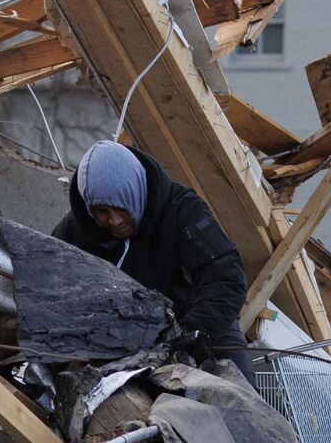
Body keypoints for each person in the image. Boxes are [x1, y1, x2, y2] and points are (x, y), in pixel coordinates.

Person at [53, 140, 257, 381]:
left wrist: (193, 334)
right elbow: (49, 281)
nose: (115, 221)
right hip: (118, 338)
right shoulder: (75, 231)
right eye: (103, 212)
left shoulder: (184, 211)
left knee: (242, 397)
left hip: (198, 326)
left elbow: (226, 278)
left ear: (135, 190)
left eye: (121, 207)